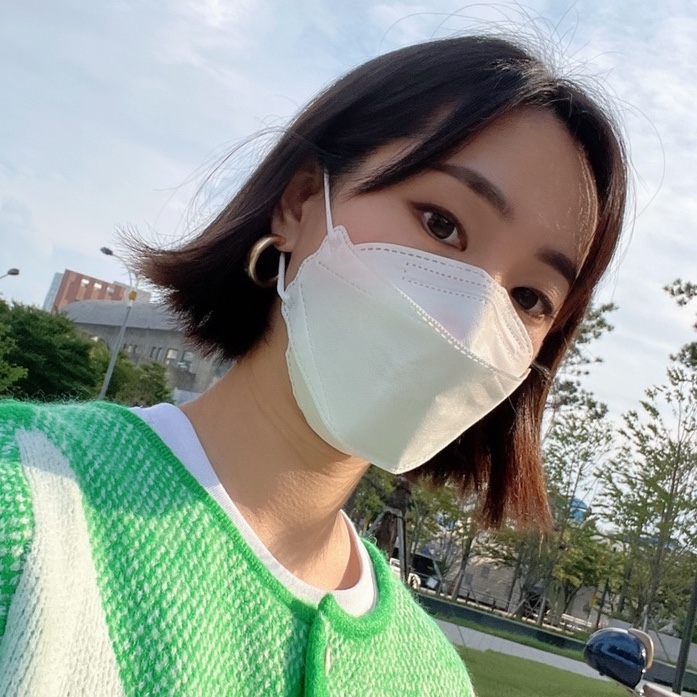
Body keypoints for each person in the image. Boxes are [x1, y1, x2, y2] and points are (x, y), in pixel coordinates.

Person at [0, 34, 627, 695]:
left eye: (527, 298)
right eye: (441, 223)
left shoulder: (432, 678)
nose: (470, 322)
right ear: (299, 203)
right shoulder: (27, 502)